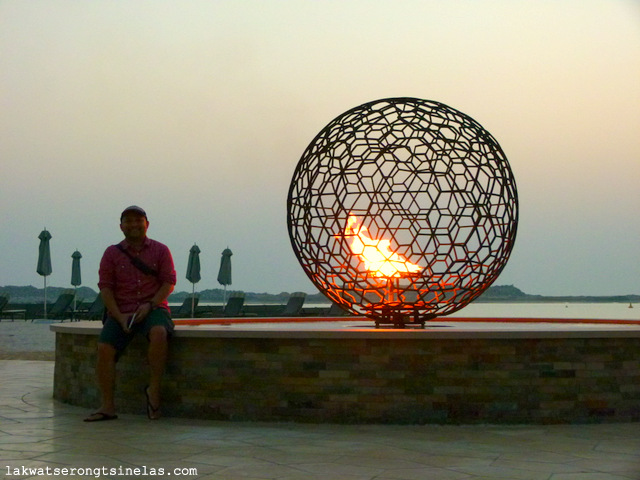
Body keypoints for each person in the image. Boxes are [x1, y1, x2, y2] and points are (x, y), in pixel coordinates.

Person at [84, 206, 176, 422]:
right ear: (121, 226)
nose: (134, 224)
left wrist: (151, 304)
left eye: (138, 220)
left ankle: (153, 390)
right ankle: (107, 406)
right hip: (121, 309)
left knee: (159, 333)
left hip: (153, 307)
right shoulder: (111, 253)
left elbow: (169, 282)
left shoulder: (161, 250)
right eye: (129, 221)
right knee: (105, 348)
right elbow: (105, 287)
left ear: (147, 224)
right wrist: (117, 315)